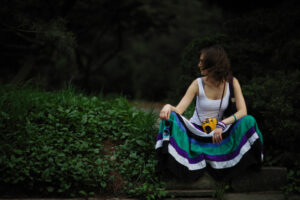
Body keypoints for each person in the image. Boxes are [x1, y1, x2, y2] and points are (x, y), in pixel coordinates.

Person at [155, 45, 263, 181]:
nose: (198, 65)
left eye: (202, 62)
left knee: (249, 120)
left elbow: (243, 111)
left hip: (218, 133)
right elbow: (179, 111)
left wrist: (222, 124)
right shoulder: (197, 83)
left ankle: (246, 163)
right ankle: (167, 163)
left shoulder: (232, 82)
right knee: (170, 117)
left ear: (213, 65)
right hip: (195, 132)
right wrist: (168, 106)